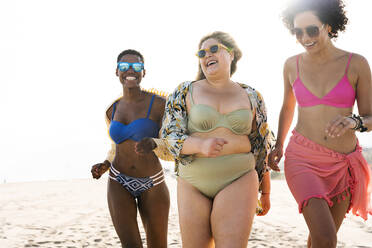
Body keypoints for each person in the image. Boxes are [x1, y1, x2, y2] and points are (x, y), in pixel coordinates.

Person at [137, 31, 274, 247]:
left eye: (214, 49)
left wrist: (265, 190)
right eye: (202, 52)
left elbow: (261, 143)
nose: (206, 55)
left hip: (238, 177)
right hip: (193, 182)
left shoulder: (252, 96)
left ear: (232, 54)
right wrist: (200, 145)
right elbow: (170, 135)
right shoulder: (185, 91)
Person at [269, 0, 372, 247]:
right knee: (326, 238)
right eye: (298, 32)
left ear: (328, 25)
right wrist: (279, 145)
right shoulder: (291, 65)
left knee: (320, 239)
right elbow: (287, 107)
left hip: (342, 163)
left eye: (311, 30)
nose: (305, 37)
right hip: (302, 158)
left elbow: (370, 118)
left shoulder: (356, 63)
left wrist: (353, 121)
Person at [90, 49, 170, 248]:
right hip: (118, 180)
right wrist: (106, 163)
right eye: (124, 67)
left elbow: (174, 144)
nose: (130, 71)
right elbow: (116, 144)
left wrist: (154, 143)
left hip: (153, 182)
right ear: (117, 72)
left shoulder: (161, 104)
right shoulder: (112, 109)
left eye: (137, 66)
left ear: (144, 71)